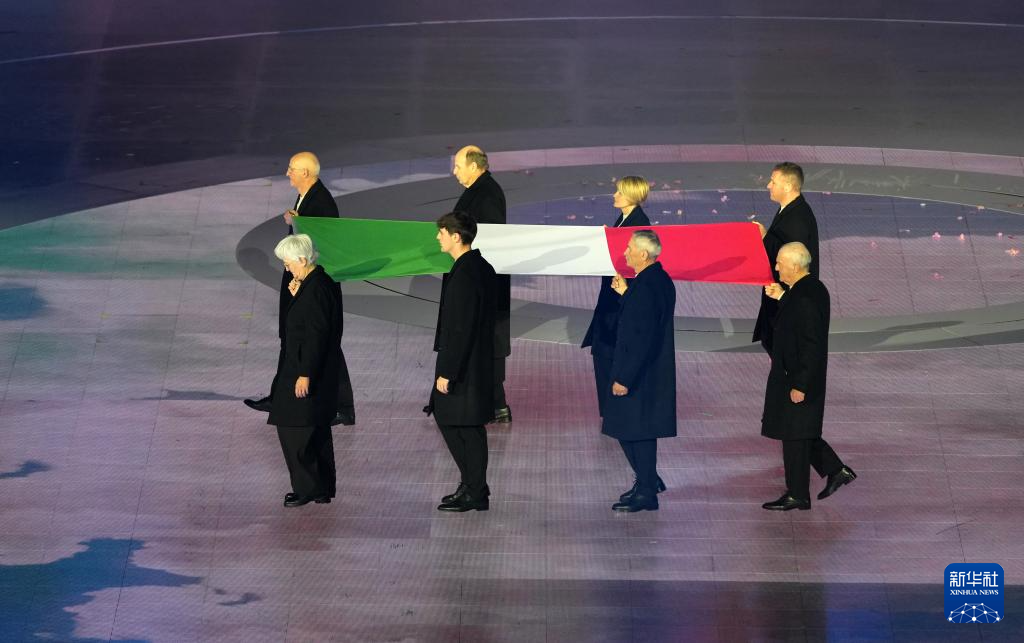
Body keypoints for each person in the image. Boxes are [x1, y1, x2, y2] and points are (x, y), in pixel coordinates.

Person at [244, 151, 356, 427]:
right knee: (294, 335)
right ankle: (280, 394)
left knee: (319, 340)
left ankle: (340, 406)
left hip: (312, 283)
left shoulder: (322, 202)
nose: (287, 173)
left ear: (305, 173)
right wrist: (294, 220)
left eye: (291, 169)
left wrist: (298, 224)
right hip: (301, 279)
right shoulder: (306, 196)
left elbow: (326, 243)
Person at [760, 242, 855, 511]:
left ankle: (798, 493)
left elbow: (811, 344)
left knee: (794, 435)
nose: (776, 267)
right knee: (800, 432)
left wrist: (800, 384)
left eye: (780, 263)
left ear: (794, 266)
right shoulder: (808, 289)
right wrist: (782, 297)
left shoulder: (804, 297)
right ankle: (834, 471)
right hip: (795, 376)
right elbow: (798, 321)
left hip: (797, 379)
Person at [427, 211, 498, 512]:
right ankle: (472, 485)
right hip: (475, 362)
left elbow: (461, 328)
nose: (437, 237)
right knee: (464, 425)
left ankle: (475, 489)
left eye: (442, 232)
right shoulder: (478, 267)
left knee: (463, 426)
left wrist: (448, 372)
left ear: (456, 236)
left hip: (464, 367)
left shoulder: (466, 273)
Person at [602, 230, 677, 512]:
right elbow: (643, 319)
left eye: (630, 248)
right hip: (648, 372)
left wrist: (624, 378)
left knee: (634, 431)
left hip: (638, 376)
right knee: (636, 430)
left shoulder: (646, 286)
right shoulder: (657, 280)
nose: (625, 252)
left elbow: (641, 336)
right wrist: (626, 293)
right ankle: (646, 482)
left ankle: (647, 489)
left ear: (643, 254)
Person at [267, 234, 344, 507]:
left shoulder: (315, 289)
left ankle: (306, 488)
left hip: (305, 370)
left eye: (288, 263)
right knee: (316, 429)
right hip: (315, 371)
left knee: (294, 430)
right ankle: (320, 487)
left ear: (302, 259)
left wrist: (305, 373)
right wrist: (297, 295)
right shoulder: (316, 283)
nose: (287, 268)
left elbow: (315, 335)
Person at [452, 145, 512, 424]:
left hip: (483, 285)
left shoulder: (486, 194)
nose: (454, 172)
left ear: (474, 167)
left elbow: (490, 239)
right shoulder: (479, 190)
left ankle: (496, 404)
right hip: (477, 282)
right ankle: (493, 403)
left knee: (488, 342)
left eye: (458, 166)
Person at [752, 162, 819, 353]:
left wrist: (765, 237)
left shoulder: (798, 218)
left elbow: (793, 259)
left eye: (773, 182)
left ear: (788, 186)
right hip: (780, 300)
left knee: (785, 358)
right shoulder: (790, 209)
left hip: (787, 305)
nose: (768, 185)